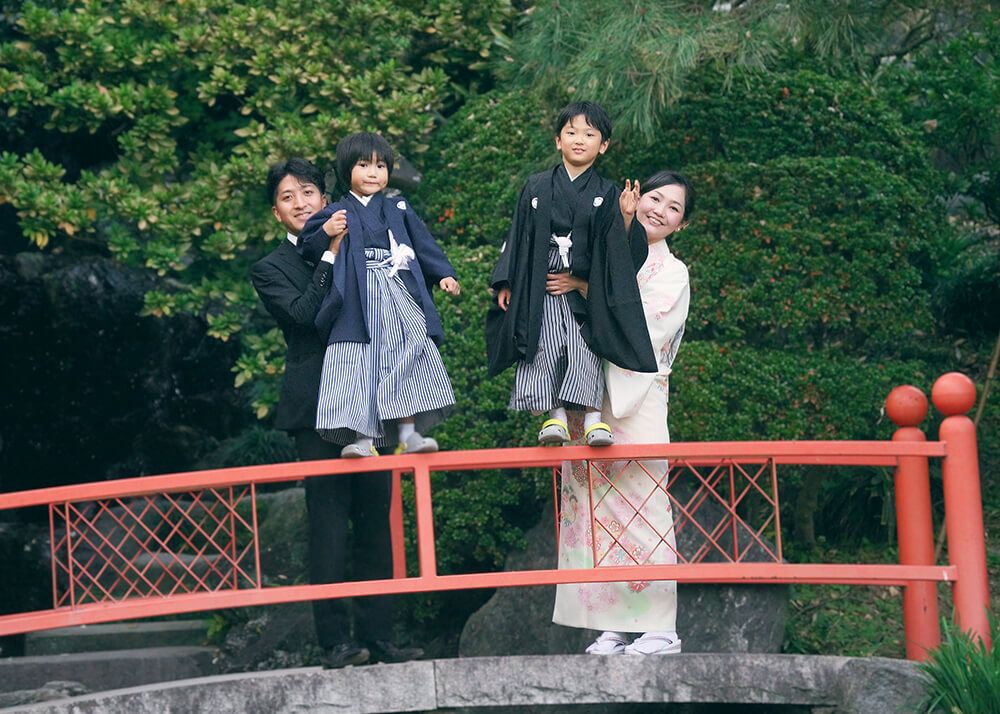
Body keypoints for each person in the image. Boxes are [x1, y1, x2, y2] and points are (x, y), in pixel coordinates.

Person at [250, 158, 421, 668]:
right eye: (287, 197)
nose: (301, 203)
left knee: (376, 524)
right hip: (314, 407)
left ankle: (381, 636)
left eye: (308, 192)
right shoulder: (270, 267)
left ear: (327, 199)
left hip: (369, 399)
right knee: (327, 527)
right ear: (276, 212)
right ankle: (336, 642)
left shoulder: (365, 241)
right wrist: (329, 255)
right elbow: (304, 315)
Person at [551, 170, 693, 656]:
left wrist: (587, 292)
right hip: (589, 395)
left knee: (644, 510)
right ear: (634, 199)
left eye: (673, 208)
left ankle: (661, 628)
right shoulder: (602, 251)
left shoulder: (672, 273)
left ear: (680, 225)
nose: (660, 210)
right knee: (592, 511)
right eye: (655, 197)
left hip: (636, 397)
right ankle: (612, 624)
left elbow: (641, 332)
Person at [486, 101, 656, 448]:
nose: (580, 139)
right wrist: (506, 281)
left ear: (603, 145)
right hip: (539, 280)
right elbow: (517, 235)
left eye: (590, 134)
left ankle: (594, 417)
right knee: (542, 342)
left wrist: (626, 217)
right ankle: (553, 415)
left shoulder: (608, 193)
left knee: (585, 345)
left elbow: (618, 252)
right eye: (571, 132)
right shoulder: (535, 186)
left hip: (582, 286)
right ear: (558, 140)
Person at [298, 133, 459, 458]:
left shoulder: (397, 206)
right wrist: (327, 231)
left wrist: (444, 273)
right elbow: (307, 246)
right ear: (347, 170)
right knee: (358, 362)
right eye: (364, 165)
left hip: (396, 288)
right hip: (356, 296)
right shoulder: (339, 211)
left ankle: (409, 434)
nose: (373, 173)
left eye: (380, 165)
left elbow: (423, 244)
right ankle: (362, 438)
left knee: (409, 351)